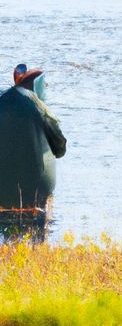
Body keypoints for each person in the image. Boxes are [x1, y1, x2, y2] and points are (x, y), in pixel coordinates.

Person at [0, 64, 66, 242]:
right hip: (34, 190)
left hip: (2, 191)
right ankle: (37, 248)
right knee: (38, 236)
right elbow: (60, 148)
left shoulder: (2, 101)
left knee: (8, 238)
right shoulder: (38, 106)